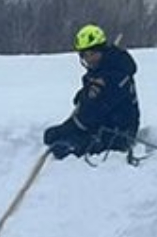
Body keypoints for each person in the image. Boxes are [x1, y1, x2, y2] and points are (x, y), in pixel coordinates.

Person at [42, 23, 139, 161]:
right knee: (58, 138)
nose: (89, 59)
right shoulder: (96, 72)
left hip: (120, 132)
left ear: (103, 51)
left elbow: (96, 111)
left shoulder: (117, 74)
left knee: (71, 147)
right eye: (85, 55)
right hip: (100, 125)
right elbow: (88, 104)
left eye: (93, 53)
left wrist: (68, 128)